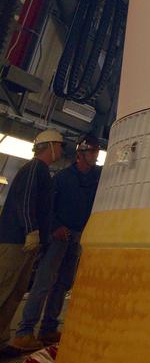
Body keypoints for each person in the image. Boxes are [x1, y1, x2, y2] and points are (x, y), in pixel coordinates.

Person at [12, 133, 103, 351]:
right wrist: (54, 227)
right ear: (80, 154)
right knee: (44, 282)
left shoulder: (96, 178)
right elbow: (46, 206)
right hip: (59, 236)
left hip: (78, 236)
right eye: (92, 151)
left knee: (62, 284)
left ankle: (48, 328)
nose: (96, 155)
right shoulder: (62, 178)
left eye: (97, 152)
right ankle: (24, 331)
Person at [0, 129, 63, 346]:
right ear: (52, 145)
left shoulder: (42, 171)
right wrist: (31, 231)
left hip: (25, 243)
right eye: (61, 145)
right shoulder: (35, 168)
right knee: (4, 290)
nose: (62, 150)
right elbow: (25, 201)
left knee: (15, 293)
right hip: (16, 242)